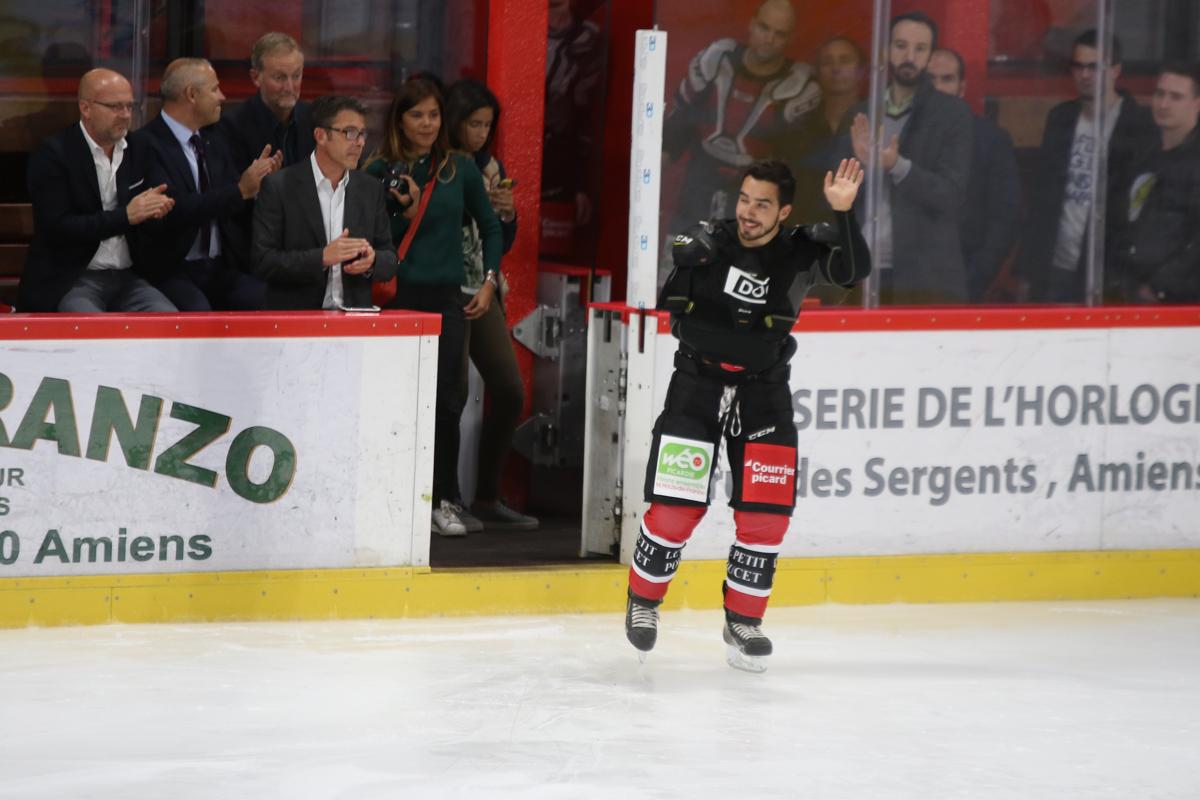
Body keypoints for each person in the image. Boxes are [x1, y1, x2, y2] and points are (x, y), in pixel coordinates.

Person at [625, 158, 870, 672]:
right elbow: (675, 311)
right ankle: (643, 605)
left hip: (765, 393)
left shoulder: (801, 251)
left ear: (784, 211)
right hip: (697, 387)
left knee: (764, 516)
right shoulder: (706, 243)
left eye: (762, 204)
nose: (749, 213)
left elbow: (852, 271)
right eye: (744, 199)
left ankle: (743, 621)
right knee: (675, 508)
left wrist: (845, 215)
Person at [364, 78, 503, 538]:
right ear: (399, 118)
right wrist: (400, 214)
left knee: (448, 400)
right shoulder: (376, 169)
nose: (427, 124)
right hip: (393, 297)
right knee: (392, 401)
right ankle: (390, 493)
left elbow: (491, 227)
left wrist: (487, 282)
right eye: (417, 114)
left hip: (447, 297)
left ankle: (445, 498)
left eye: (434, 115)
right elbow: (364, 234)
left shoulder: (458, 169)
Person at [445, 78, 539, 532]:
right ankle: (444, 498)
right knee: (452, 395)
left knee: (509, 389)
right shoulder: (441, 164)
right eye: (473, 123)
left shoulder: (490, 165)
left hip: (483, 287)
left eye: (488, 125)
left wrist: (505, 212)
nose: (481, 133)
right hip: (443, 290)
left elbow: (502, 239)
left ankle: (486, 495)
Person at [18, 68, 177, 313]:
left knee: (168, 322)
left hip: (129, 277)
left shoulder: (140, 147)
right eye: (115, 107)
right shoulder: (54, 154)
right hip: (72, 277)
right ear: (86, 108)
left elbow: (157, 206)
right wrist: (126, 216)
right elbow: (58, 228)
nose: (125, 115)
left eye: (129, 106)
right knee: (90, 328)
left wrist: (158, 209)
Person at [1013, 30, 1156, 303]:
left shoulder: (1139, 126)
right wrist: (1028, 270)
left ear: (1115, 70)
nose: (1085, 75)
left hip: (1107, 268)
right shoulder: (1061, 118)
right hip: (1055, 262)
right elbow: (1042, 198)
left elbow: (1139, 207)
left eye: (1094, 67)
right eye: (1078, 66)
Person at [847, 11, 973, 304]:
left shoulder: (952, 114)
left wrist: (897, 166)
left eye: (920, 49)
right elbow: (833, 198)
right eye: (901, 46)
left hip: (922, 276)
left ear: (930, 57)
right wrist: (860, 168)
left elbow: (951, 196)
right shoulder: (861, 113)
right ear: (886, 50)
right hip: (861, 268)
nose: (909, 56)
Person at [663, 0, 819, 230]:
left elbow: (797, 162)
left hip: (756, 205)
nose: (769, 39)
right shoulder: (715, 60)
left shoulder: (800, 87)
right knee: (679, 261)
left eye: (779, 34)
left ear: (790, 38)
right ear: (752, 24)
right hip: (695, 193)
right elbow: (678, 125)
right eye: (764, 28)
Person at [138, 58, 278, 311]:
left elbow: (233, 202)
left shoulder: (215, 140)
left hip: (220, 266)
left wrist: (257, 187)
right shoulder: (146, 145)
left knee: (271, 300)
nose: (222, 97)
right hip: (172, 269)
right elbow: (174, 209)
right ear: (191, 94)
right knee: (199, 314)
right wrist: (239, 191)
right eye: (214, 89)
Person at [251, 95, 396, 310]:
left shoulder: (370, 188)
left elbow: (390, 259)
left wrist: (372, 262)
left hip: (354, 319)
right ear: (321, 136)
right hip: (297, 320)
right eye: (350, 133)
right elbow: (263, 262)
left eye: (362, 134)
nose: (360, 142)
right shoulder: (279, 186)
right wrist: (321, 258)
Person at [927, 47, 1021, 302]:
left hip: (966, 276)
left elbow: (1005, 217)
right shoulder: (896, 137)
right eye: (930, 79)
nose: (938, 87)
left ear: (962, 87)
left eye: (947, 79)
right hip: (905, 281)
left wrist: (975, 278)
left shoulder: (991, 140)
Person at [1107, 63, 1200, 304]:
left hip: (1178, 301)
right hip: (1128, 288)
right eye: (1159, 94)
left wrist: (1160, 285)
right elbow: (1121, 219)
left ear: (1197, 104)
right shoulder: (1142, 155)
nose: (1164, 104)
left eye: (1176, 97)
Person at [542, 0, 605, 258]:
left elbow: (586, 114)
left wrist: (581, 184)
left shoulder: (587, 38)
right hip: (514, 150)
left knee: (552, 249)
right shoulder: (524, 23)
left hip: (560, 163)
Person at [787, 35, 865, 226]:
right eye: (827, 62)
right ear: (818, 71)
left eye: (845, 60)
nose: (836, 69)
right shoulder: (800, 129)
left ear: (861, 71)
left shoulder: (874, 126)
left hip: (859, 233)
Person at [216, 32, 314, 173]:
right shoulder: (232, 127)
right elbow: (236, 190)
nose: (289, 87)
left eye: (296, 76)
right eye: (279, 77)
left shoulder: (315, 118)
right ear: (256, 77)